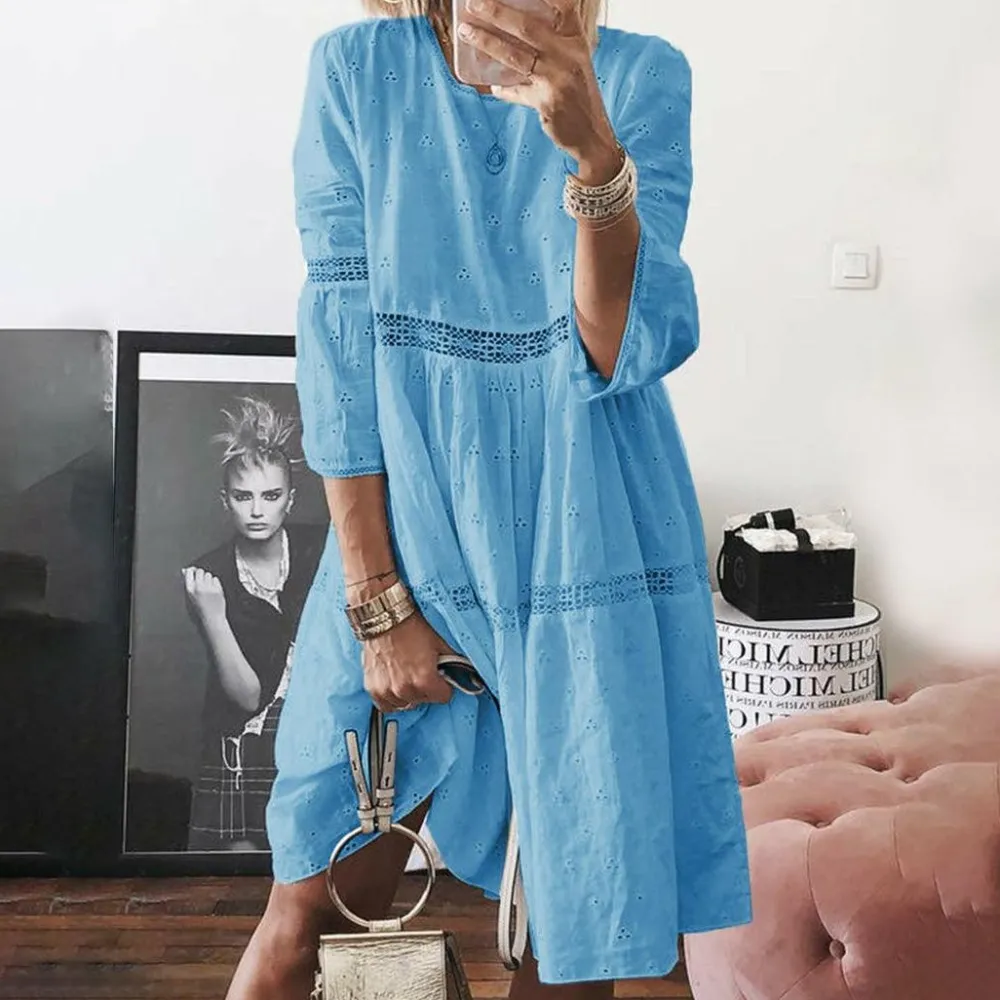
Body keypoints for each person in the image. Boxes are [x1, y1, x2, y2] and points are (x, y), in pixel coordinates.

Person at [227, 2, 753, 997]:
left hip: (588, 537)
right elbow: (340, 352)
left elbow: (615, 345)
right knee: (304, 916)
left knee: (571, 936)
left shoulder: (642, 77)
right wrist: (376, 601)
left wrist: (593, 153)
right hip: (409, 538)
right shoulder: (359, 69)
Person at [182, 396, 325, 852]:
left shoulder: (321, 553)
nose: (257, 511)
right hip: (242, 747)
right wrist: (213, 615)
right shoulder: (208, 577)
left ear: (290, 500)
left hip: (317, 733)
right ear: (225, 501)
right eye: (244, 497)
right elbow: (246, 697)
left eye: (271, 496)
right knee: (242, 867)